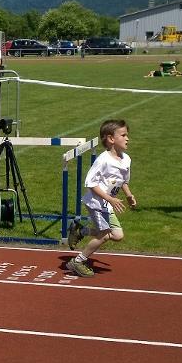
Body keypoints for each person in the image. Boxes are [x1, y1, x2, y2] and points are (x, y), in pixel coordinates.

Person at [66, 119, 138, 278]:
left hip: (107, 205)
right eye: (123, 135)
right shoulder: (103, 160)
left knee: (117, 235)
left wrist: (129, 195)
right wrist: (110, 199)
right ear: (111, 139)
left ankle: (81, 230)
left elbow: (123, 181)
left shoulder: (126, 159)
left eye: (127, 135)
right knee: (105, 234)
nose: (128, 138)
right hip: (96, 203)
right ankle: (78, 261)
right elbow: (90, 183)